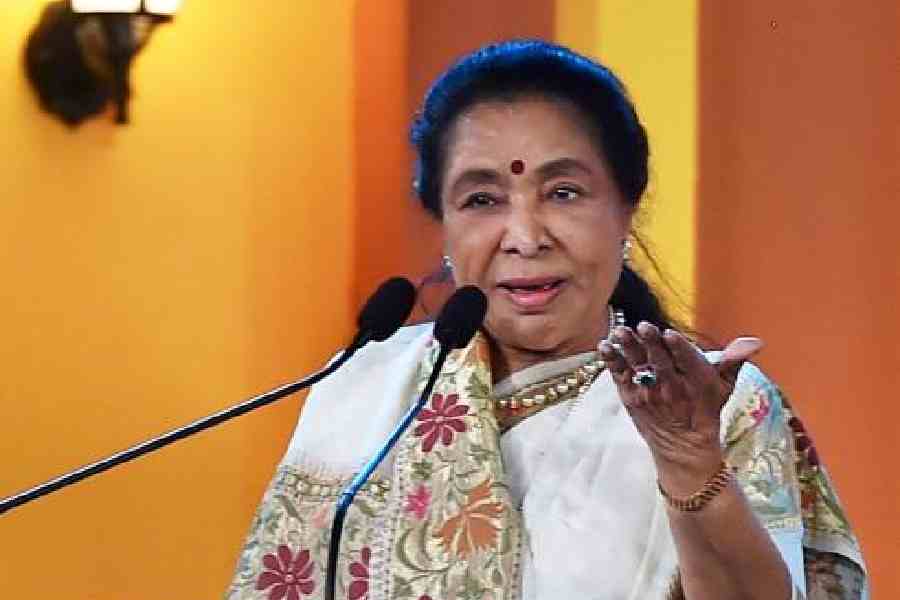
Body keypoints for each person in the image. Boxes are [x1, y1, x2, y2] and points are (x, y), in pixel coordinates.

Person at [226, 40, 867, 600]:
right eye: (482, 200)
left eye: (563, 193)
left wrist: (689, 464)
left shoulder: (716, 405)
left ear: (626, 208)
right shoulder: (361, 390)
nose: (525, 237)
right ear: (443, 224)